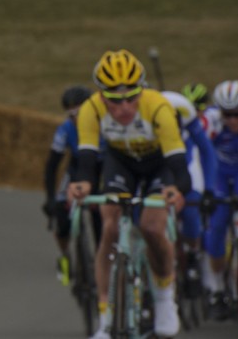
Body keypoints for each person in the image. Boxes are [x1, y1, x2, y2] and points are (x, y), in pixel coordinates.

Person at [67, 49, 190, 339]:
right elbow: (86, 156)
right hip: (121, 162)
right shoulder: (90, 109)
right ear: (101, 96)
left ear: (142, 90)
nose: (124, 107)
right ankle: (105, 319)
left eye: (131, 97)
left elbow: (176, 160)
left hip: (159, 164)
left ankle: (163, 298)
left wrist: (178, 189)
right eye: (114, 100)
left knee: (151, 227)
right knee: (109, 229)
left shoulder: (158, 107)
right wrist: (82, 184)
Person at [160, 90, 218, 298]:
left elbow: (207, 151)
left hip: (188, 169)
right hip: (160, 171)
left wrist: (209, 189)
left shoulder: (184, 110)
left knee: (191, 214)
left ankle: (193, 254)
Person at [42, 85, 96, 285]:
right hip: (75, 172)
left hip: (98, 172)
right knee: (61, 217)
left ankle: (101, 254)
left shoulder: (103, 125)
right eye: (70, 113)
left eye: (79, 111)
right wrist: (50, 198)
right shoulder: (65, 130)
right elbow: (52, 165)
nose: (75, 117)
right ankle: (65, 255)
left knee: (102, 215)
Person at [202, 80, 238, 320]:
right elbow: (199, 154)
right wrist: (203, 189)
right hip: (218, 174)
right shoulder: (210, 123)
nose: (233, 121)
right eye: (227, 115)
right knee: (216, 229)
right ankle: (217, 288)